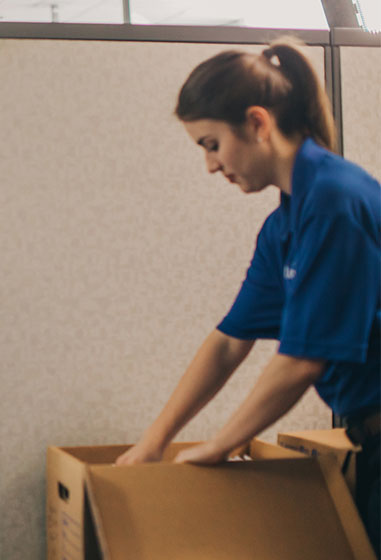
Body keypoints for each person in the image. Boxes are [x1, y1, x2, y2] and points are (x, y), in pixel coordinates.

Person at [115, 40, 380, 555]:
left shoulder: (332, 200)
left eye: (211, 144)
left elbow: (300, 362)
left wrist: (220, 444)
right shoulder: (287, 221)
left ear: (258, 123)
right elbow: (228, 342)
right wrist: (155, 442)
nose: (211, 166)